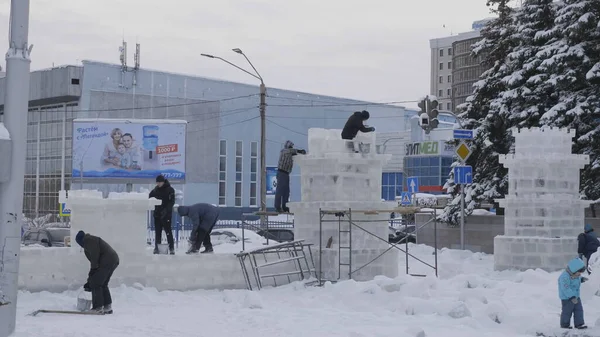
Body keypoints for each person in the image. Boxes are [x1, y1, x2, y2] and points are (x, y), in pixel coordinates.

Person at [75, 230, 120, 314]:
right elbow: (93, 263)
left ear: (81, 240)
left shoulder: (88, 240)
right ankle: (107, 306)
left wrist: (92, 273)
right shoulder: (89, 242)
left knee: (96, 283)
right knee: (102, 283)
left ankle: (98, 307)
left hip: (107, 260)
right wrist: (90, 279)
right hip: (112, 260)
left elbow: (95, 257)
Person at [274, 140, 306, 213]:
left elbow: (293, 153)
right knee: (280, 191)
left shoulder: (289, 153)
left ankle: (285, 206)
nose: (292, 147)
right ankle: (277, 207)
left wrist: (301, 154)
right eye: (291, 146)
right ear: (288, 146)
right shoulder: (284, 151)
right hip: (281, 172)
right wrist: (299, 151)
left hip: (286, 174)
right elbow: (290, 151)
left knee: (286, 191)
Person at [558, 257, 588, 329]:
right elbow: (565, 288)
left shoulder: (575, 274)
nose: (580, 274)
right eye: (579, 272)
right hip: (567, 298)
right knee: (567, 312)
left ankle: (579, 324)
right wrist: (571, 296)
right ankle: (565, 325)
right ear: (574, 270)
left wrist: (581, 279)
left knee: (579, 310)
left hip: (576, 297)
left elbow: (576, 280)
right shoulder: (564, 277)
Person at [149, 174, 175, 255]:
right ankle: (157, 248)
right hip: (157, 214)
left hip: (166, 214)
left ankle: (171, 248)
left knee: (168, 231)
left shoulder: (170, 190)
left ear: (163, 182)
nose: (158, 184)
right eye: (157, 183)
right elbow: (150, 198)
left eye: (160, 182)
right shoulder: (155, 190)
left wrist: (166, 210)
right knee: (158, 232)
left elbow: (172, 202)